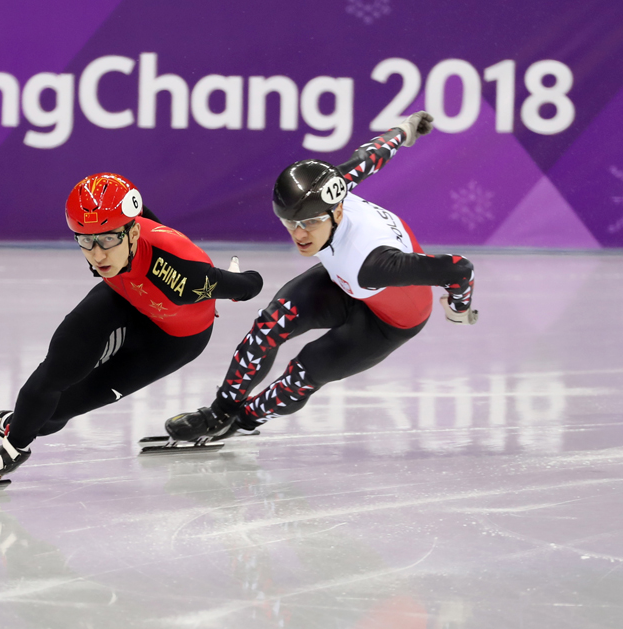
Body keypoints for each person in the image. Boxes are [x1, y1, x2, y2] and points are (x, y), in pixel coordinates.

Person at [165, 111, 478, 442]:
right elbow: (370, 156)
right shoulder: (331, 188)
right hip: (347, 282)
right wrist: (405, 130)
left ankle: (245, 419)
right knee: (271, 324)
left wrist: (458, 310)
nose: (299, 234)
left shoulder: (373, 263)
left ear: (338, 211)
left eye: (310, 223)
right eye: (290, 223)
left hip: (387, 321)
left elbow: (459, 268)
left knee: (306, 370)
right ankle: (219, 412)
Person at [0, 173, 264, 483]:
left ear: (132, 234)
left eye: (108, 240)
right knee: (59, 365)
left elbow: (250, 285)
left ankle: (12, 425)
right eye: (86, 241)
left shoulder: (184, 280)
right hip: (125, 298)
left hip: (171, 340)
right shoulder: (119, 229)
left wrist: (228, 284)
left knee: (57, 413)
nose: (97, 254)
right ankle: (14, 444)